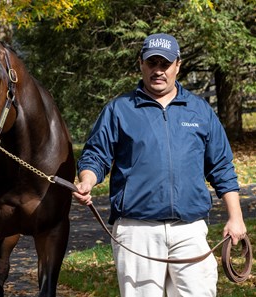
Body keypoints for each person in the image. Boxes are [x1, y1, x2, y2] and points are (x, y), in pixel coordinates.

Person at [73, 33, 247, 297]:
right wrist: (87, 180)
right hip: (136, 230)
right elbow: (95, 155)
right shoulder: (119, 110)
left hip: (190, 229)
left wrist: (236, 217)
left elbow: (221, 167)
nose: (158, 71)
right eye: (152, 63)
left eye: (164, 64)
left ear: (178, 65)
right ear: (140, 63)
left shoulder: (199, 111)